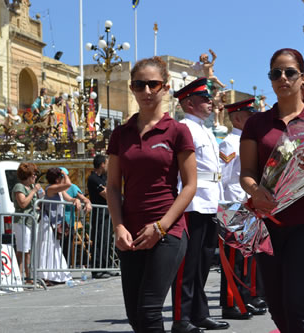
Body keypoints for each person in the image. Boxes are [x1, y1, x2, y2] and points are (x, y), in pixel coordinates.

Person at [239, 48, 304, 333]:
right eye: (276, 73)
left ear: (302, 77)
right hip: (269, 225)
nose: (282, 78)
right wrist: (254, 190)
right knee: (276, 304)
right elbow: (247, 173)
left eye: (289, 72)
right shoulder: (256, 124)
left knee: (298, 303)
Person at [106, 56, 197, 332]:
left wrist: (161, 226)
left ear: (165, 87)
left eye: (153, 85)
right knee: (135, 316)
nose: (146, 91)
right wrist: (118, 227)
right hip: (130, 234)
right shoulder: (121, 134)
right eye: (139, 85)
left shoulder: (178, 131)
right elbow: (112, 186)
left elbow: (190, 185)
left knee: (148, 310)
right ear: (132, 88)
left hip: (167, 230)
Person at [171, 77, 229, 333]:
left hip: (209, 201)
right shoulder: (184, 128)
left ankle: (199, 312)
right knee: (187, 264)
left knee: (204, 262)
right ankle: (181, 318)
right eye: (204, 99)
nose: (209, 103)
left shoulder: (205, 130)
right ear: (189, 103)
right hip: (192, 202)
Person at [218, 98, 266, 320]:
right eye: (249, 115)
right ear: (237, 118)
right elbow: (226, 179)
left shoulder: (249, 141)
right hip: (233, 205)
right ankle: (231, 303)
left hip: (249, 204)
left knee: (248, 257)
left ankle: (246, 298)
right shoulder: (230, 142)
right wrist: (228, 208)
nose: (254, 118)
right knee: (234, 258)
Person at [37, 167, 80, 285]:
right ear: (57, 179)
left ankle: (55, 274)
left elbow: (69, 198)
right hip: (48, 223)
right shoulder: (51, 189)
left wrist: (75, 200)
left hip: (56, 223)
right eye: (61, 177)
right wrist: (63, 174)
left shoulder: (59, 190)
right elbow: (68, 184)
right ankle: (45, 275)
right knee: (47, 248)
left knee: (55, 249)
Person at [12, 163, 42, 282]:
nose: (35, 177)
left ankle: (27, 276)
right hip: (22, 222)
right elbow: (23, 203)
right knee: (23, 250)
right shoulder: (19, 187)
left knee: (28, 250)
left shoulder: (31, 188)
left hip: (32, 221)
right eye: (33, 175)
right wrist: (34, 191)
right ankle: (21, 276)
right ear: (27, 175)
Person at [87, 155, 114, 278]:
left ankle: (106, 266)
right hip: (99, 214)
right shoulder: (93, 178)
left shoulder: (104, 178)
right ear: (102, 164)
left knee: (106, 240)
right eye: (107, 163)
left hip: (107, 213)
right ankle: (97, 268)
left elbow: (111, 191)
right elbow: (107, 194)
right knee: (99, 239)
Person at [59, 167, 92, 267]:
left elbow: (84, 199)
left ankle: (66, 268)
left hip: (69, 222)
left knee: (67, 246)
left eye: (63, 176)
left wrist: (88, 203)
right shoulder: (55, 187)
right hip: (57, 222)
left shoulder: (73, 187)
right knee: (57, 247)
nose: (62, 178)